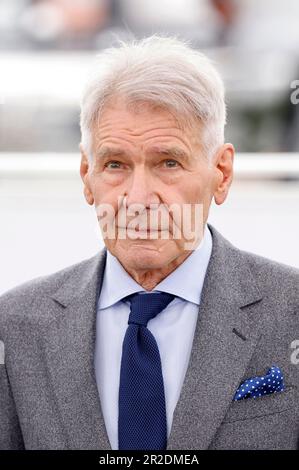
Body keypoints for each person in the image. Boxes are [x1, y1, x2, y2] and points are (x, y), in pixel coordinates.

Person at [0, 36, 298, 450]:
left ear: (222, 173)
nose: (138, 199)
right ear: (87, 175)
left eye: (168, 163)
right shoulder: (14, 326)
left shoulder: (293, 311)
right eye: (116, 164)